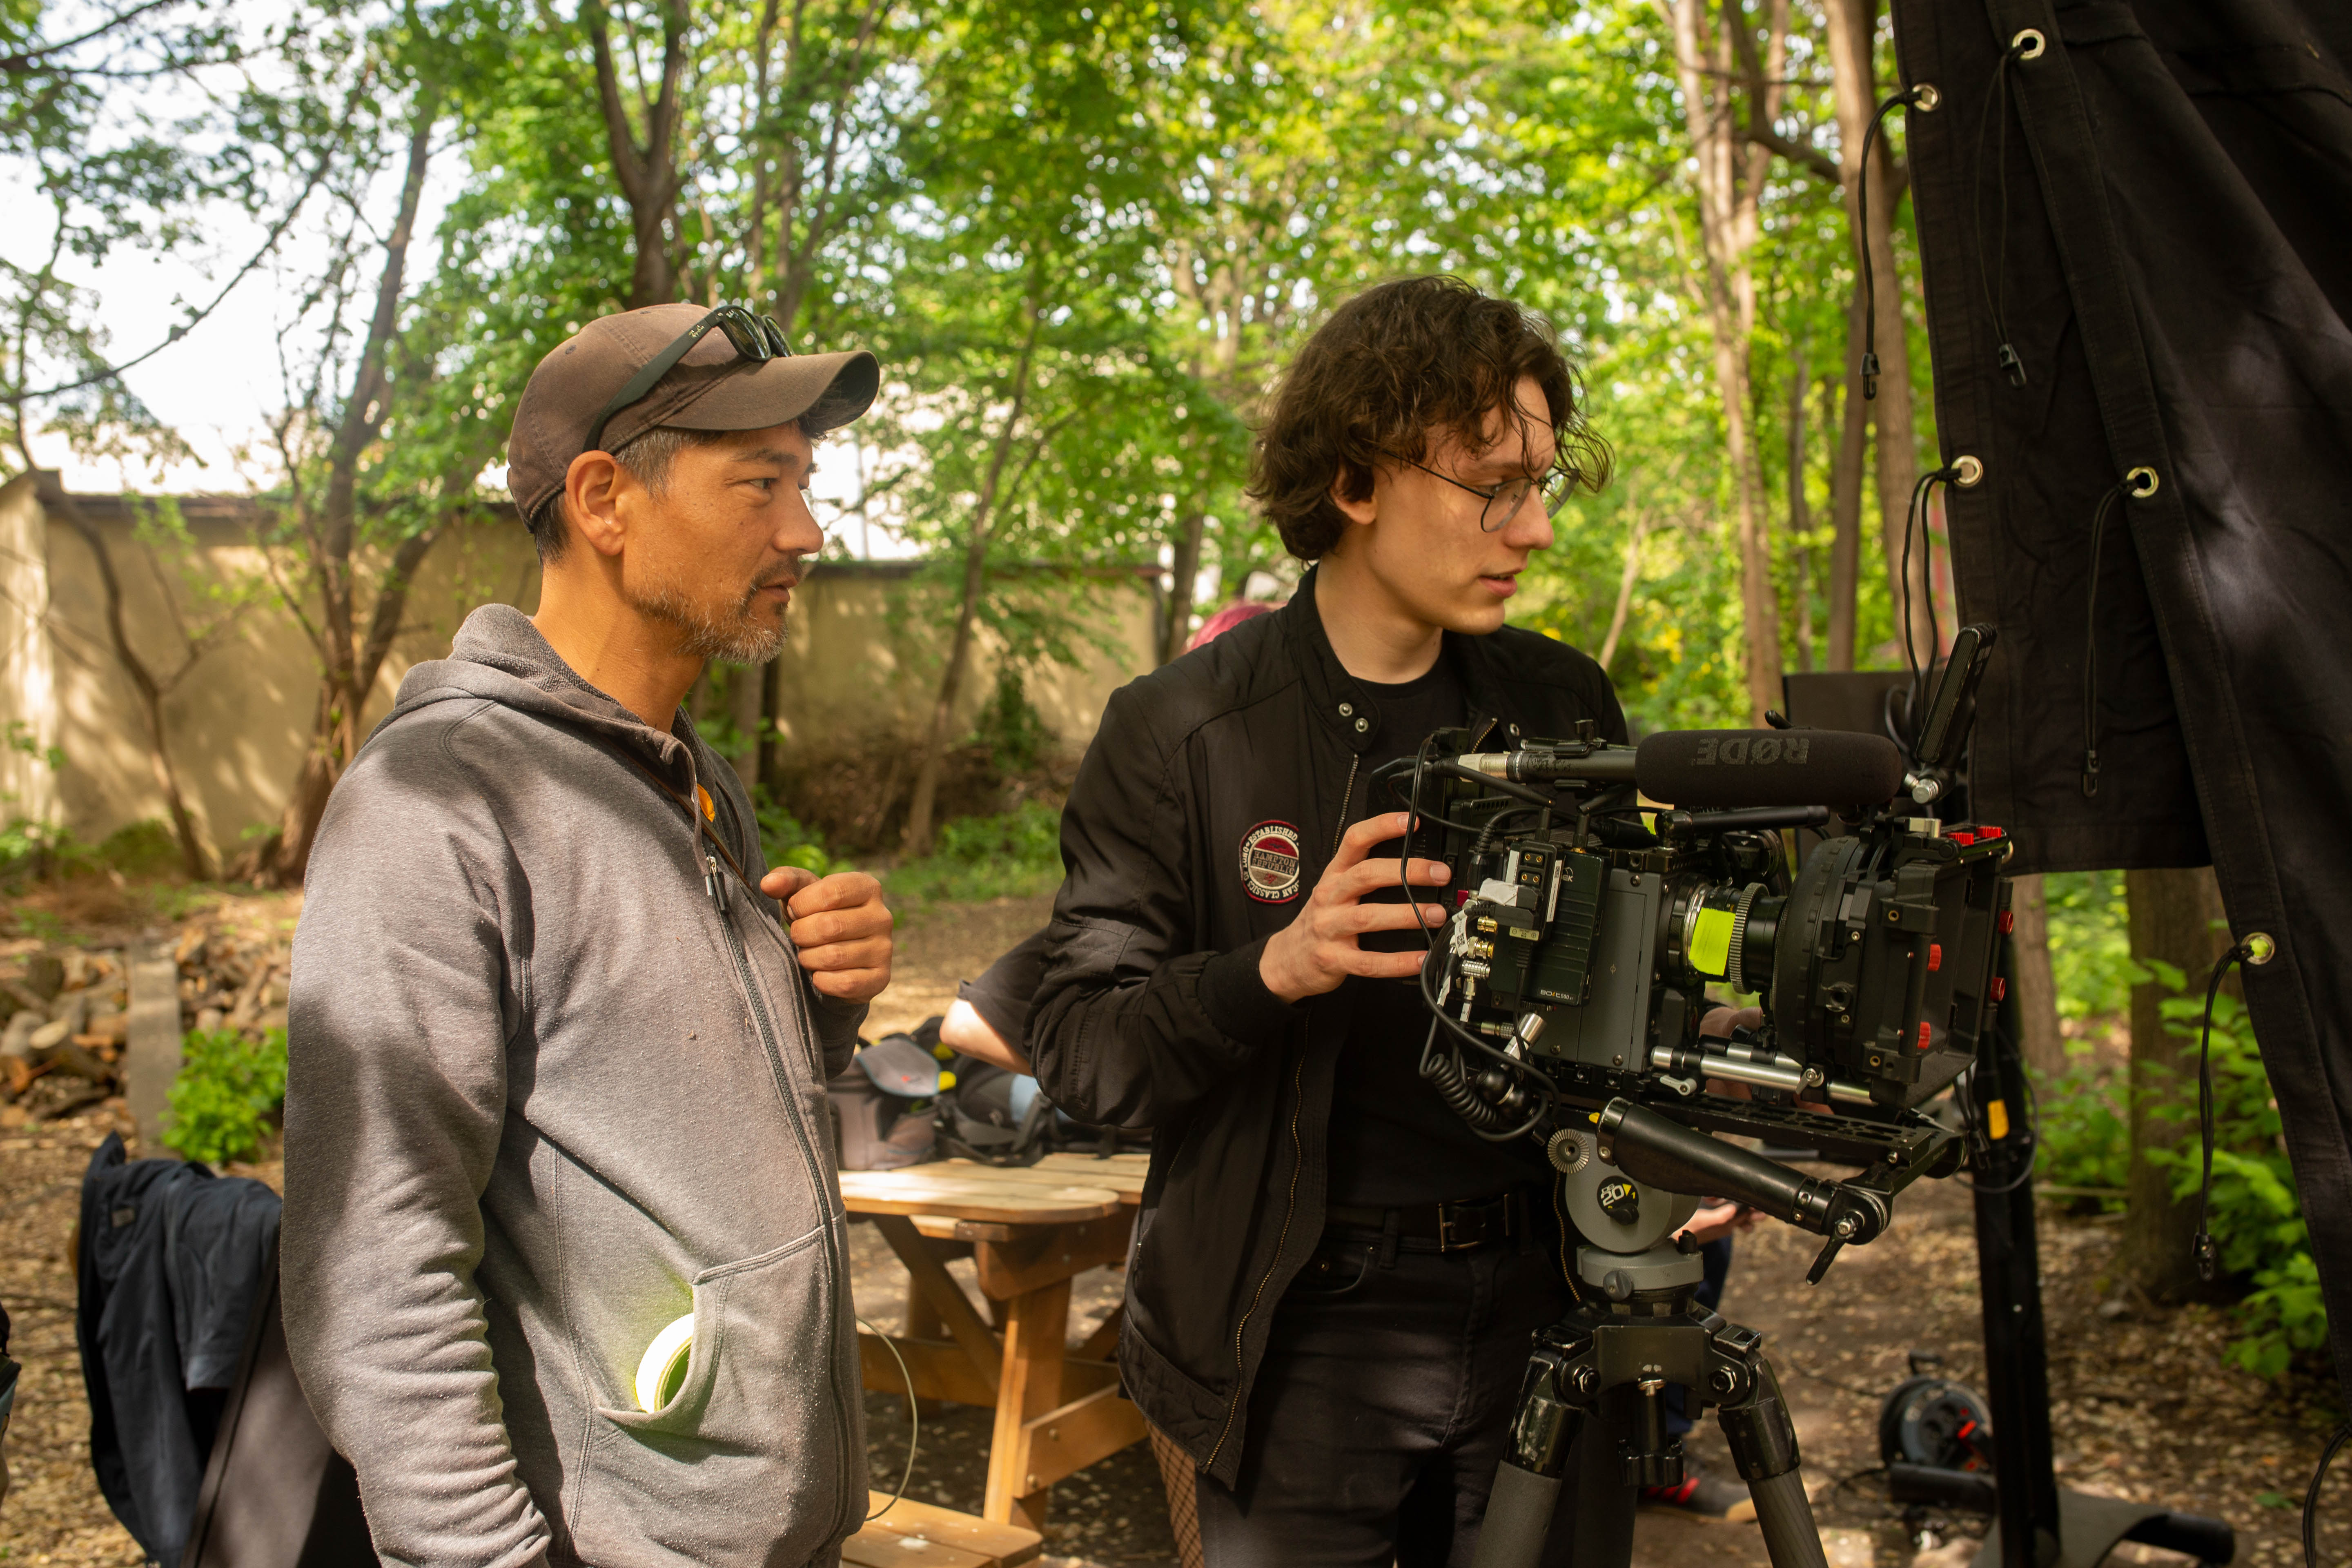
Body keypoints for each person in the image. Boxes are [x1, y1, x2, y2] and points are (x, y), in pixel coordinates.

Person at [283, 303, 897, 1568]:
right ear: (605, 501)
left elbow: (637, 1115)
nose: (804, 531)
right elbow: (378, 1271)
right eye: (761, 484)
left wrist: (814, 1005)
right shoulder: (437, 802)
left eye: (805, 484)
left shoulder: (695, 777)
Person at [1029, 275, 1628, 1566]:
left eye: (1540, 488)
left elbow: (1616, 988)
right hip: (1294, 1333)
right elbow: (1081, 1048)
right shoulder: (1178, 729)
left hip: (1550, 1305)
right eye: (1494, 488)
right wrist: (1273, 968)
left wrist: (1686, 1098)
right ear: (1357, 481)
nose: (1532, 530)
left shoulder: (1564, 706)